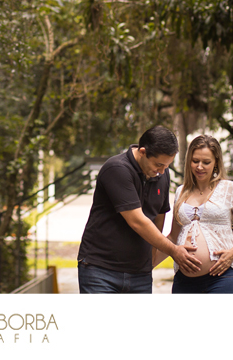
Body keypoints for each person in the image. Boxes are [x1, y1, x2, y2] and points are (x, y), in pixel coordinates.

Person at [78, 125, 201, 293]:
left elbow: (159, 217)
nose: (162, 171)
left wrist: (150, 261)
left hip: (139, 275)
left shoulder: (162, 174)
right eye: (158, 164)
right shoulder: (117, 169)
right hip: (101, 270)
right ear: (142, 152)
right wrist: (173, 250)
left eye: (167, 165)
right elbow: (137, 221)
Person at [155, 134, 233, 293]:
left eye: (206, 162)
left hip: (224, 277)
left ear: (216, 162)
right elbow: (173, 237)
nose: (199, 166)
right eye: (195, 161)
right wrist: (147, 266)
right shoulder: (181, 191)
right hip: (184, 281)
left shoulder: (230, 189)